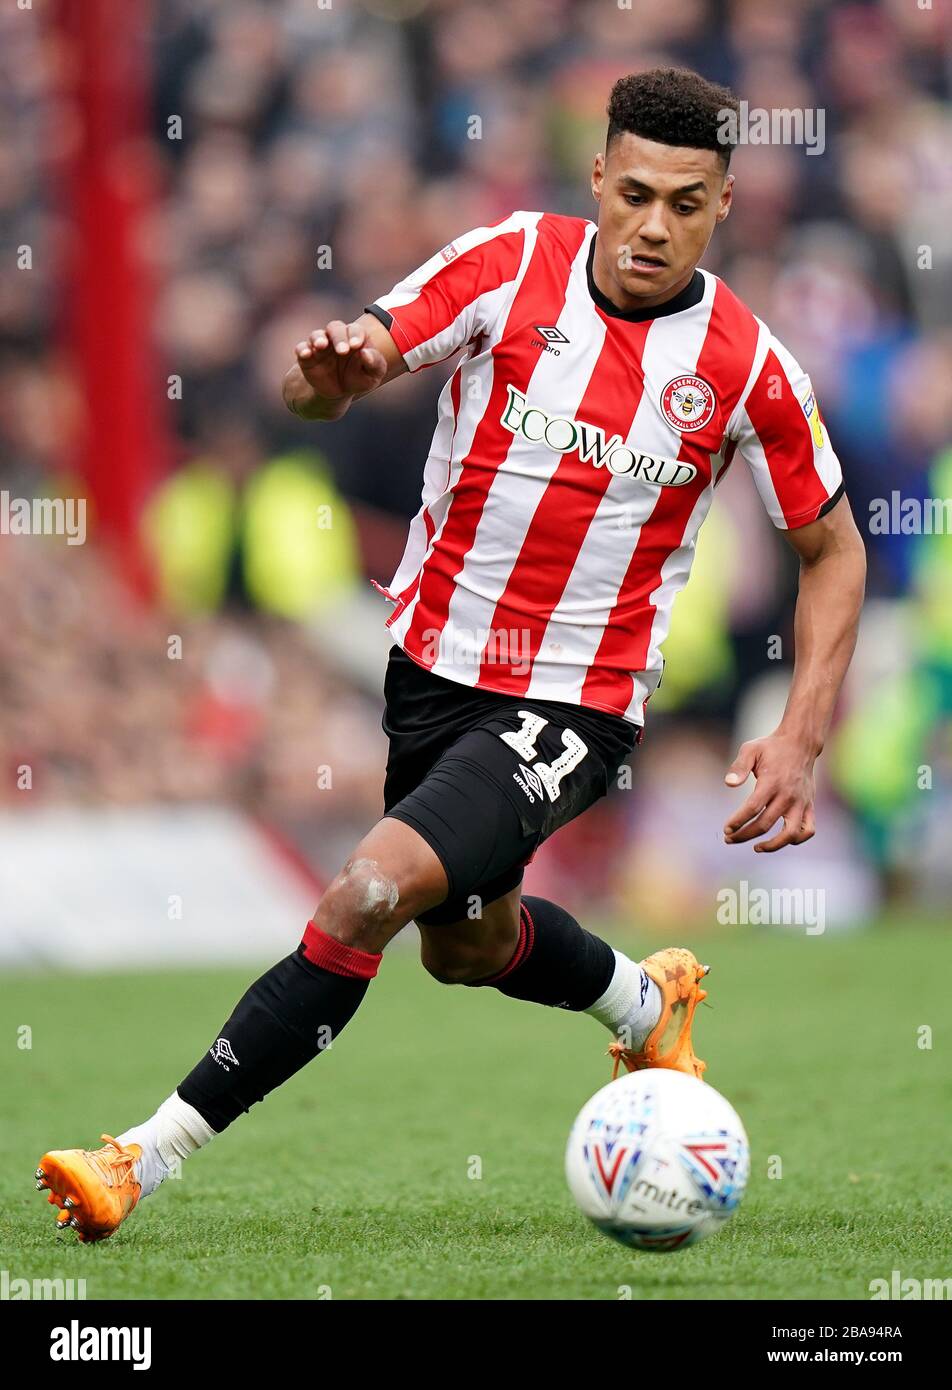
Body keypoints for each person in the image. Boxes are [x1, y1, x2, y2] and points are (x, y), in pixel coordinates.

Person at [36, 67, 866, 1243]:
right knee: (464, 947)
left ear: (723, 203)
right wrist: (324, 382)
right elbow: (334, 373)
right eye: (633, 193)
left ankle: (140, 1154)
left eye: (686, 203)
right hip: (430, 673)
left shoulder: (742, 365)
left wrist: (800, 733)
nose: (652, 225)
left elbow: (832, 547)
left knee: (367, 889)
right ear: (597, 178)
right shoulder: (508, 263)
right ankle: (645, 996)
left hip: (574, 700)